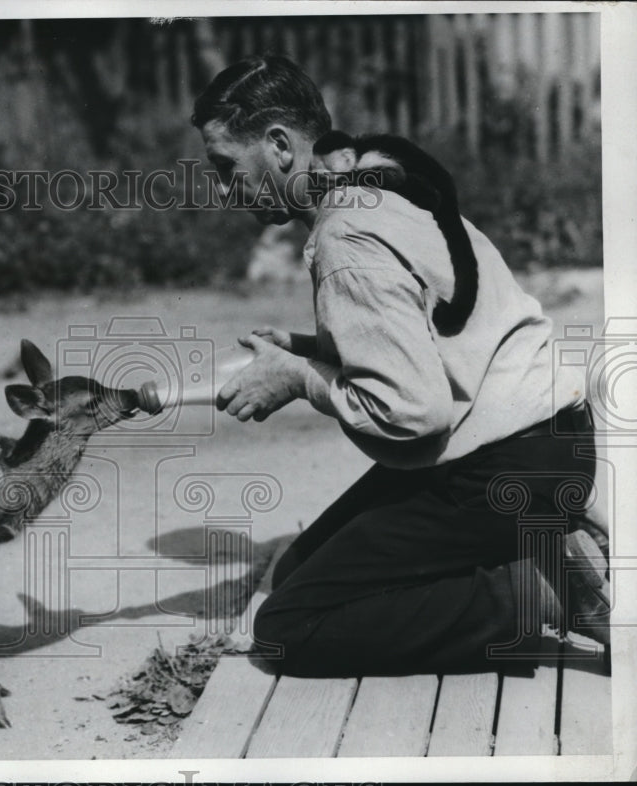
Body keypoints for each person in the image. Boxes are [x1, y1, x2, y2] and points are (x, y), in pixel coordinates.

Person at [191, 55, 609, 676]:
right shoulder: (383, 184)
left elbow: (413, 413)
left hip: (500, 471)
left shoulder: (345, 241)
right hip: (549, 442)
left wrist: (300, 380)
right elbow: (433, 331)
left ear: (279, 145)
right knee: (299, 570)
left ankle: (528, 592)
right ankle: (535, 549)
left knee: (287, 628)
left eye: (227, 168)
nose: (225, 190)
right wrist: (313, 350)